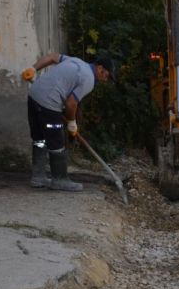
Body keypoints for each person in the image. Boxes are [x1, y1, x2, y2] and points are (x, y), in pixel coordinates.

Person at [21, 53, 115, 191]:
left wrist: (33, 69)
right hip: (48, 104)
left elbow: (52, 57)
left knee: (40, 138)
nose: (105, 80)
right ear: (100, 68)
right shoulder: (88, 79)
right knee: (57, 140)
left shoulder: (75, 61)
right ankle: (59, 179)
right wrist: (72, 122)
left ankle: (38, 177)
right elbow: (71, 104)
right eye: (107, 75)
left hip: (34, 96)